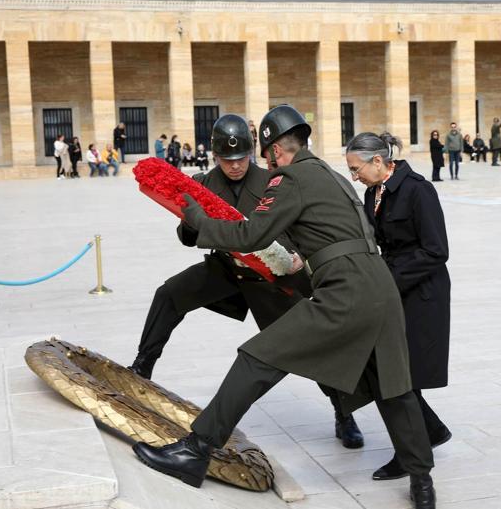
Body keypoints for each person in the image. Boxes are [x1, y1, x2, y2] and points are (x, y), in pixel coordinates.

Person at [132, 106, 436, 509]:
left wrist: (200, 221)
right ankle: (422, 481)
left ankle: (196, 449)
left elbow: (252, 233)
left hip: (342, 290)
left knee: (257, 357)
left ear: (274, 150)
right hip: (381, 286)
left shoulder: (289, 178)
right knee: (394, 386)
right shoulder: (330, 175)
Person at [129, 113, 364, 450]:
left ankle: (344, 414)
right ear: (215, 156)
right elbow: (186, 236)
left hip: (269, 280)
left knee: (309, 346)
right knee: (169, 294)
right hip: (226, 269)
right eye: (227, 159)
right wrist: (188, 214)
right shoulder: (204, 183)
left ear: (252, 153)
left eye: (241, 158)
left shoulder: (276, 179)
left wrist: (295, 258)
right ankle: (143, 365)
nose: (235, 166)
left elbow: (295, 227)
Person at [347, 131, 452, 483]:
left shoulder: (418, 190)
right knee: (394, 371)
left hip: (420, 293)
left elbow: (437, 250)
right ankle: (429, 432)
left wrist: (390, 276)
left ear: (378, 161)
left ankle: (411, 452)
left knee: (402, 375)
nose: (354, 175)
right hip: (393, 290)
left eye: (356, 168)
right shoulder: (373, 192)